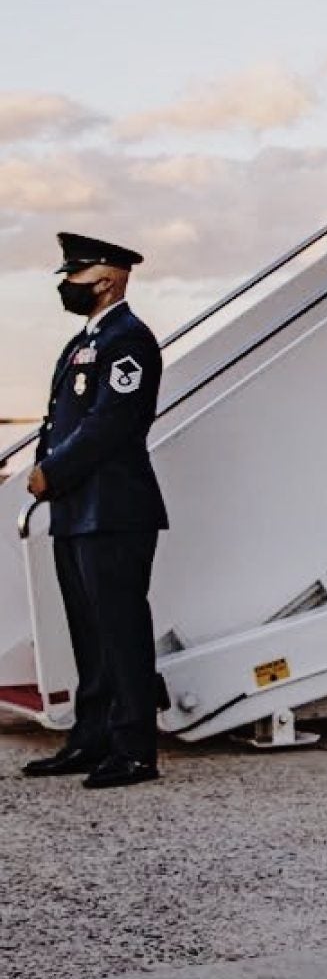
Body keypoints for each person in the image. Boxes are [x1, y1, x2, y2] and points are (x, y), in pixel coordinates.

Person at [22, 232, 168, 789]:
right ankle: (92, 737)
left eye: (74, 276)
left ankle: (135, 749)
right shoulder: (84, 341)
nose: (66, 286)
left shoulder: (129, 340)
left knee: (121, 630)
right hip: (77, 508)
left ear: (108, 278)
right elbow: (60, 418)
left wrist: (52, 471)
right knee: (88, 631)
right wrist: (48, 472)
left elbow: (112, 423)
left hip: (115, 509)